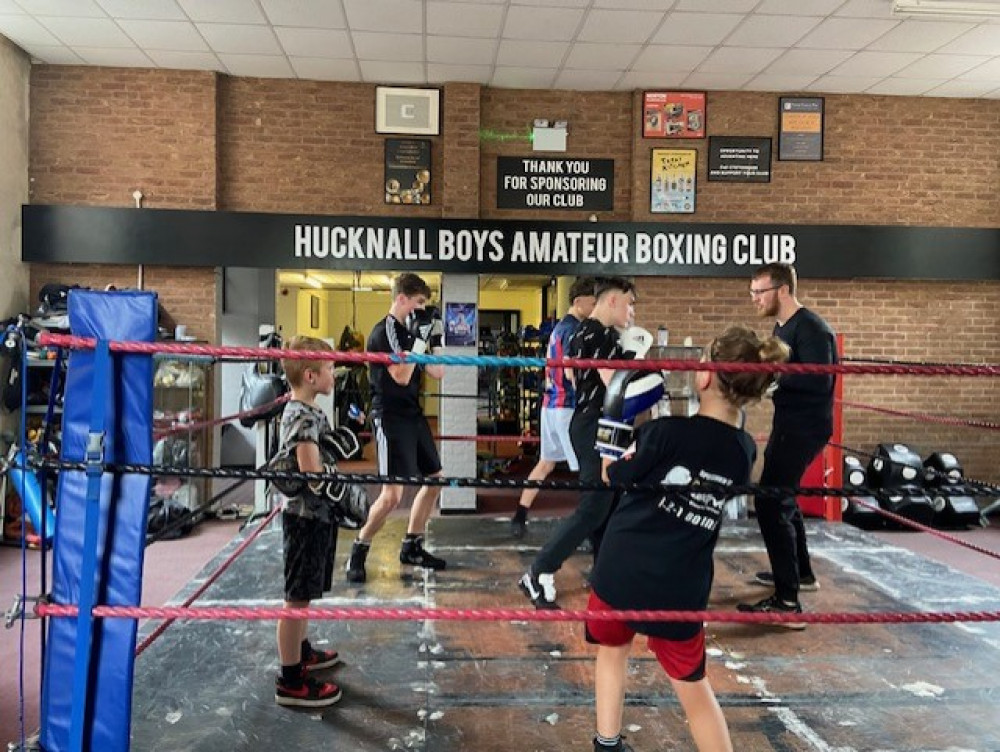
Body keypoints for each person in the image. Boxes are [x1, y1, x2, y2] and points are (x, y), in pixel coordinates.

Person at [587, 326, 790, 752]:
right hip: (679, 584)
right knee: (693, 687)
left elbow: (613, 476)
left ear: (702, 377)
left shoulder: (663, 434)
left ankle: (606, 743)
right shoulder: (743, 452)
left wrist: (614, 425)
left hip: (621, 568)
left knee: (612, 652)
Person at [519, 276, 640, 609]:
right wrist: (639, 376)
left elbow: (572, 376)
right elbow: (615, 389)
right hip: (599, 425)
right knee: (595, 505)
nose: (631, 312)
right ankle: (539, 570)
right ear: (613, 300)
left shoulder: (579, 333)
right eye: (629, 303)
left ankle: (605, 574)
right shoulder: (602, 335)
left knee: (610, 502)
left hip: (587, 419)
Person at [738, 263, 838, 624]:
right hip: (790, 423)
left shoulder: (812, 329)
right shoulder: (783, 328)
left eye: (759, 292)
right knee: (782, 496)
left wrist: (772, 378)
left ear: (781, 290)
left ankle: (787, 602)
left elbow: (819, 382)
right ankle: (801, 575)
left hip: (804, 426)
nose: (754, 299)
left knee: (770, 501)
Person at [345, 273, 447, 583]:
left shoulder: (410, 331)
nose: (420, 311)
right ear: (402, 299)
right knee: (391, 495)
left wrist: (437, 337)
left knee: (435, 480)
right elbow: (401, 376)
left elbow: (438, 371)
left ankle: (412, 545)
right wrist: (419, 339)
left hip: (413, 415)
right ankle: (358, 549)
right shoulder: (383, 332)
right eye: (417, 303)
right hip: (389, 416)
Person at [273, 336, 345, 708]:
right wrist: (346, 494)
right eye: (331, 369)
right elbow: (312, 474)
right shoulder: (301, 414)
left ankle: (301, 653)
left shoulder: (310, 410)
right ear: (312, 375)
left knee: (305, 594)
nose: (336, 374)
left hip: (314, 516)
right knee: (296, 598)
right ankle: (290, 680)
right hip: (304, 517)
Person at [510, 277, 597, 538]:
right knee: (587, 468)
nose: (595, 309)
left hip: (550, 404)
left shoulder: (560, 328)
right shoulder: (574, 329)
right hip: (567, 407)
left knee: (546, 463)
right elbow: (571, 369)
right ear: (579, 301)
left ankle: (520, 514)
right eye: (592, 303)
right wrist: (588, 394)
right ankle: (587, 527)